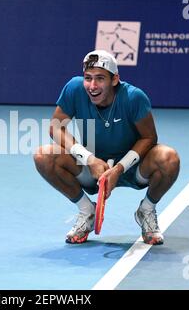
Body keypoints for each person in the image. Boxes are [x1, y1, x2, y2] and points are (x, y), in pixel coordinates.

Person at [33, 50, 180, 245]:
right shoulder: (75, 89)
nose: (92, 86)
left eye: (100, 79)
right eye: (88, 78)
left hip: (132, 167)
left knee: (168, 158)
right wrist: (89, 159)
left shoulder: (134, 97)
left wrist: (119, 169)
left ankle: (146, 211)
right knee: (44, 155)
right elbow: (56, 127)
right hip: (92, 168)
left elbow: (149, 137)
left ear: (114, 79)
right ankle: (87, 211)